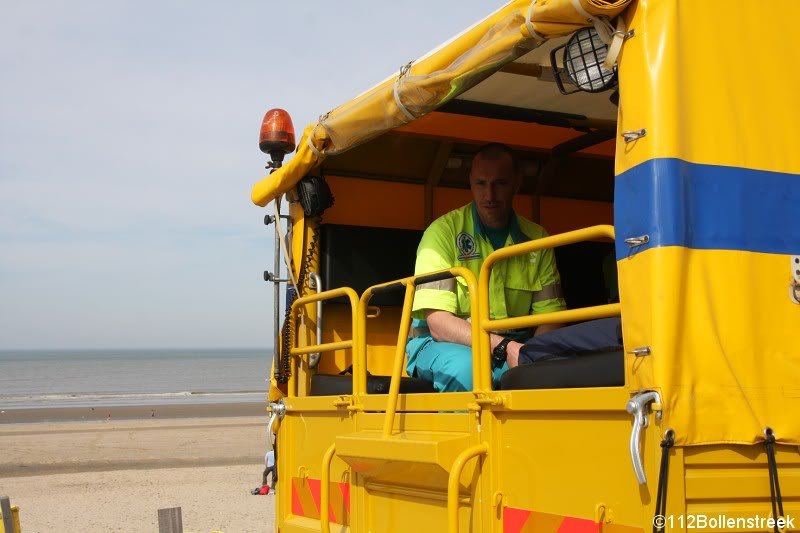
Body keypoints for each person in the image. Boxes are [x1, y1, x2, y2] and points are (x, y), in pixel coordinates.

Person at [406, 143, 567, 392]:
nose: (489, 195)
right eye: (481, 183)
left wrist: (528, 354)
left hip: (515, 343)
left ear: (516, 183)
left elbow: (552, 317)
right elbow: (437, 323)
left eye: (500, 184)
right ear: (470, 182)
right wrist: (503, 347)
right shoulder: (443, 233)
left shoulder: (538, 239)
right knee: (467, 369)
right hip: (443, 344)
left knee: (560, 369)